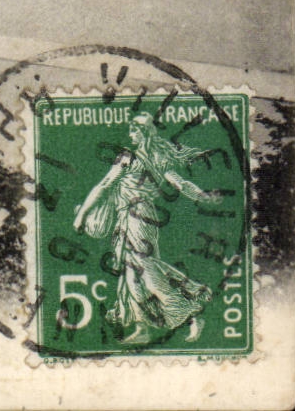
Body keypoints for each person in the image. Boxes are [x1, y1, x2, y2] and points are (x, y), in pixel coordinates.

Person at [72, 112, 221, 344]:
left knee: (147, 273)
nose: (130, 135)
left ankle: (191, 314)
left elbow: (104, 184)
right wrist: (202, 195)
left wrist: (81, 215)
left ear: (143, 134)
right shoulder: (159, 157)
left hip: (136, 218)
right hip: (138, 218)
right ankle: (143, 328)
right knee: (132, 277)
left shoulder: (128, 157)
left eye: (134, 131)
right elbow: (180, 184)